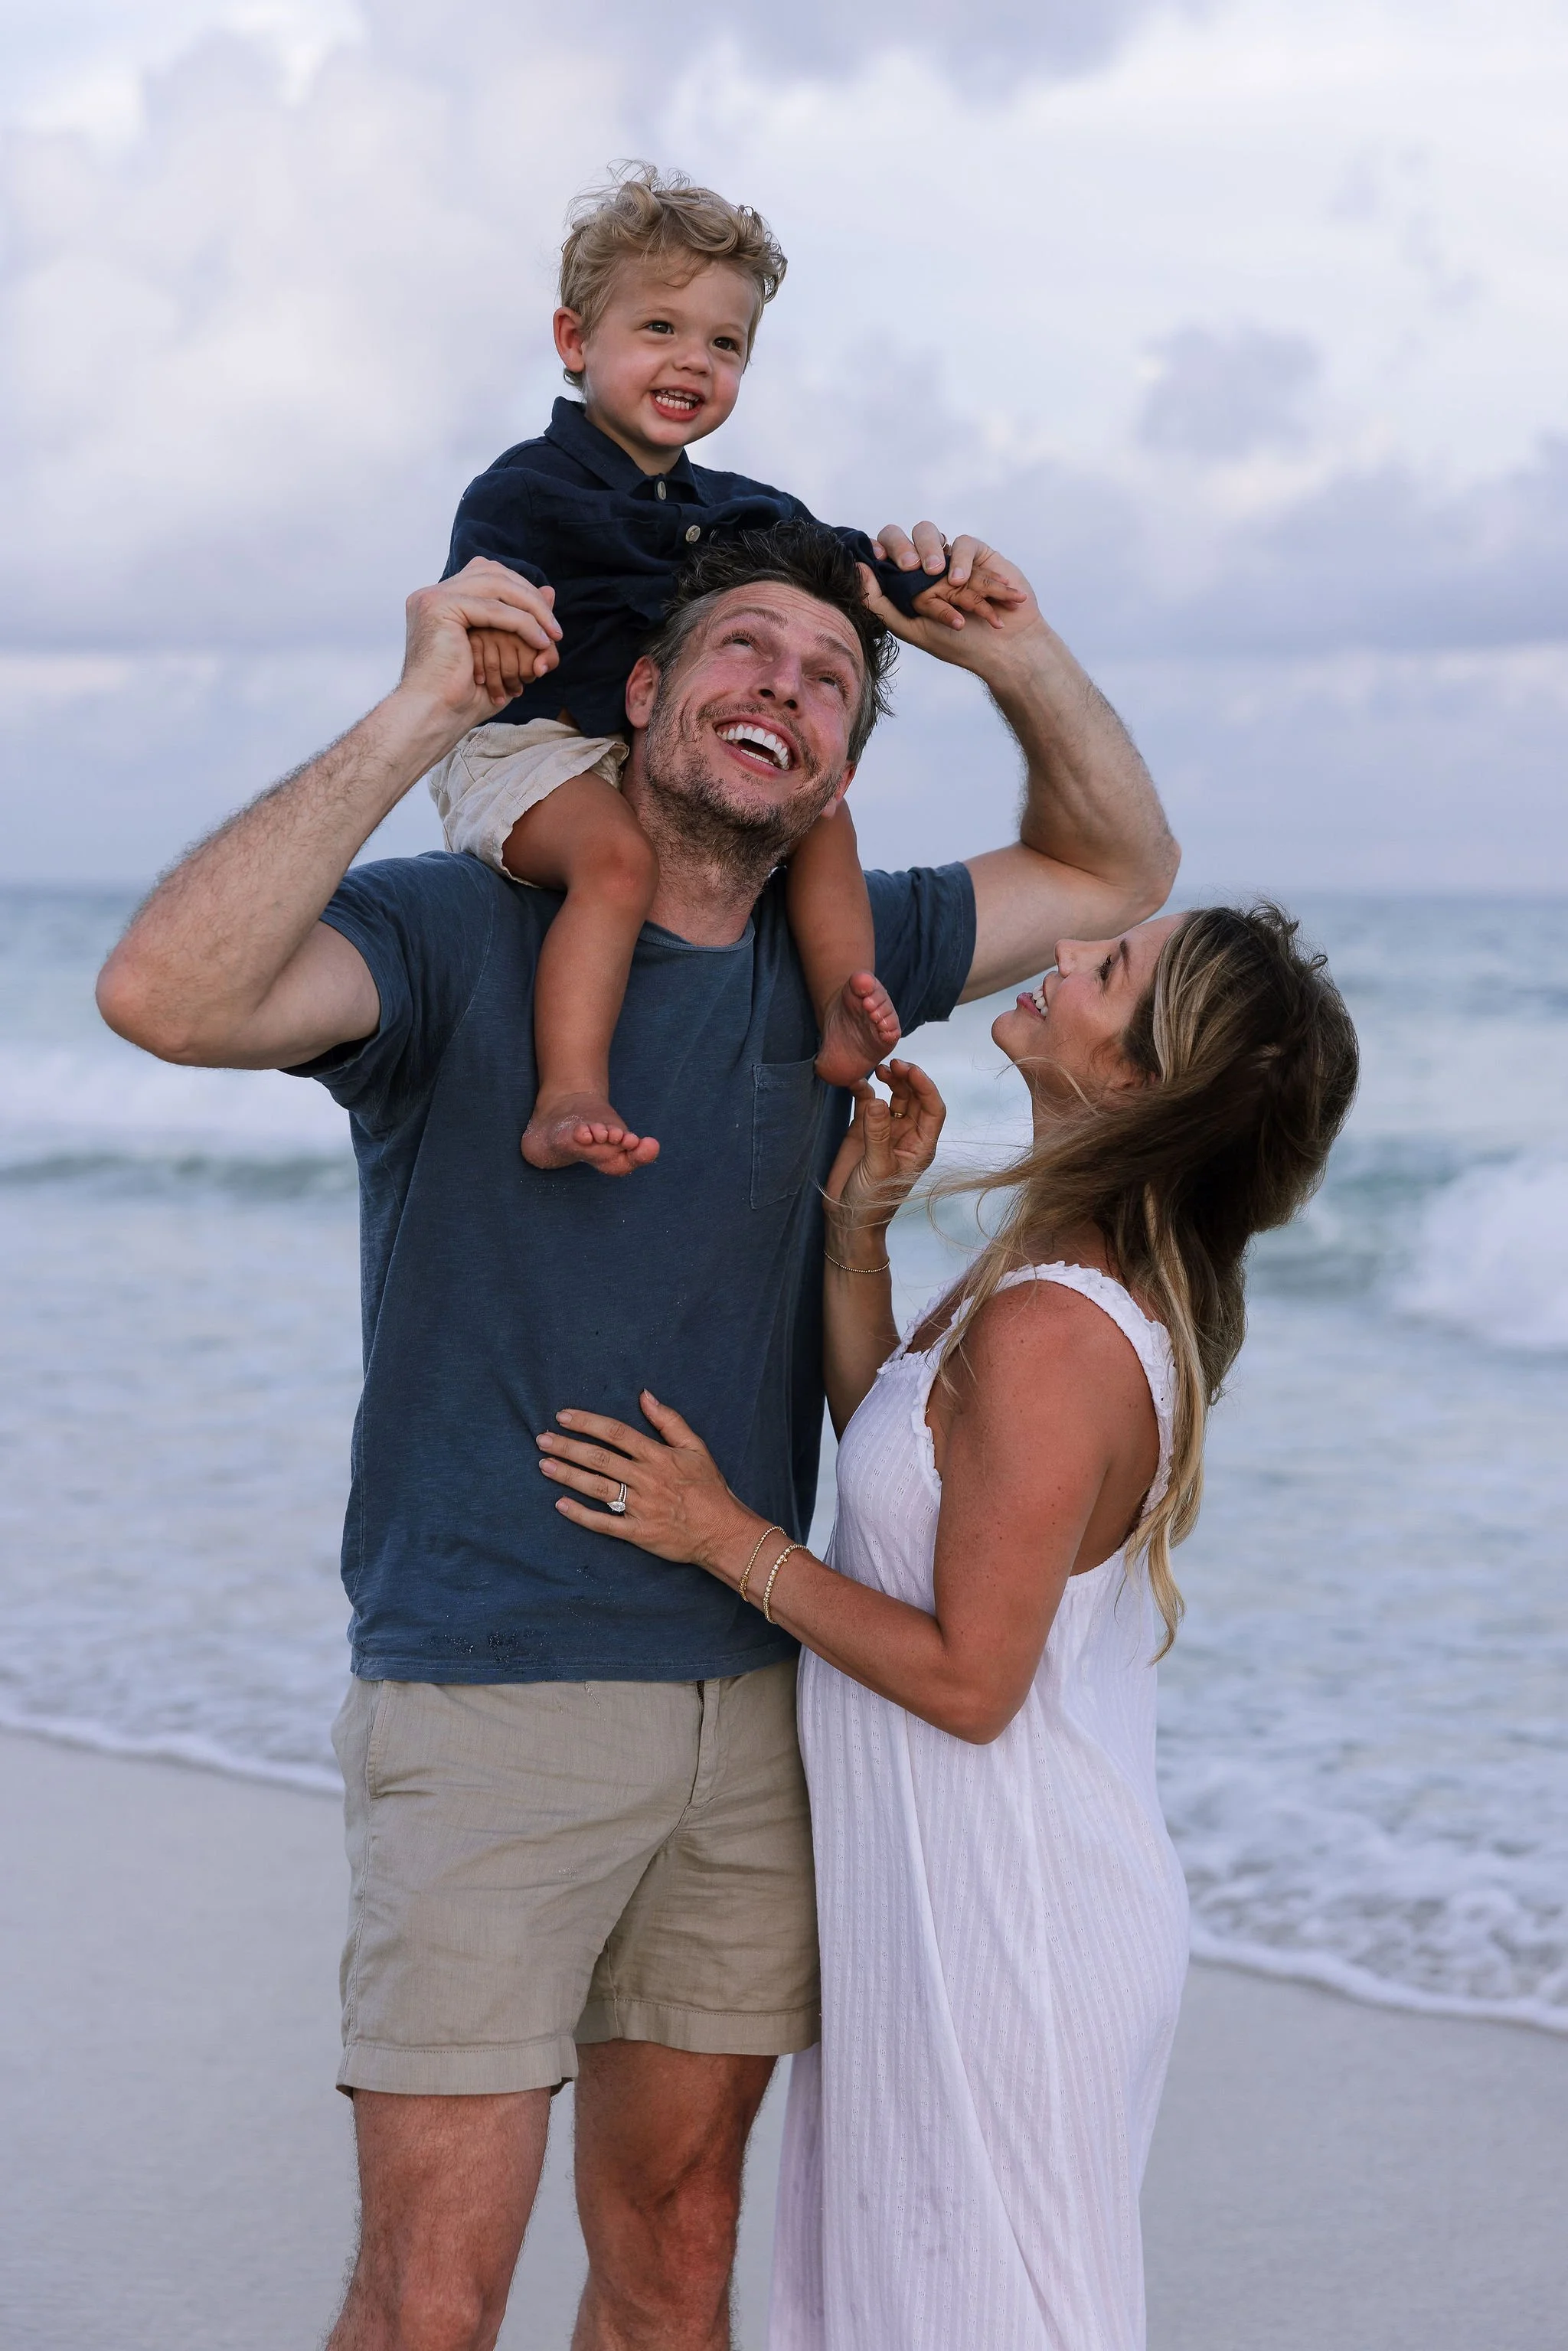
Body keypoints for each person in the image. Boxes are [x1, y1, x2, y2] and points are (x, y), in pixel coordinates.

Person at [96, 512, 1178, 2351]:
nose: (787, 687)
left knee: (678, 2264)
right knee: (433, 2296)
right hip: (488, 1693)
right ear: (647, 688)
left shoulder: (852, 961)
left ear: (834, 771)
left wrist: (1014, 650)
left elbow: (1117, 867)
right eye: (745, 646)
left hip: (760, 1711)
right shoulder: (457, 931)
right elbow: (164, 995)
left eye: (828, 680)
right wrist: (423, 711)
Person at [538, 906, 1358, 2349]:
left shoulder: (1056, 1329)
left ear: (1142, 1079)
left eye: (1109, 971)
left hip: (1010, 1919)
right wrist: (862, 1224)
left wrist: (723, 1534)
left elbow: (974, 1679)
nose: (1068, 956)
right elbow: (909, 1474)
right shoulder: (1053, 1268)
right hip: (956, 1898)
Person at [433, 162, 1023, 1173]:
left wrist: (923, 582)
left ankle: (842, 1011)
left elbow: (838, 555)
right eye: (659, 328)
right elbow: (488, 587)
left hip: (637, 745)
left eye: (725, 343)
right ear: (576, 341)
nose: (693, 361)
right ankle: (567, 1093)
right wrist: (501, 621)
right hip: (530, 748)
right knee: (618, 864)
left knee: (822, 809)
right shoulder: (525, 490)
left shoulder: (735, 507)